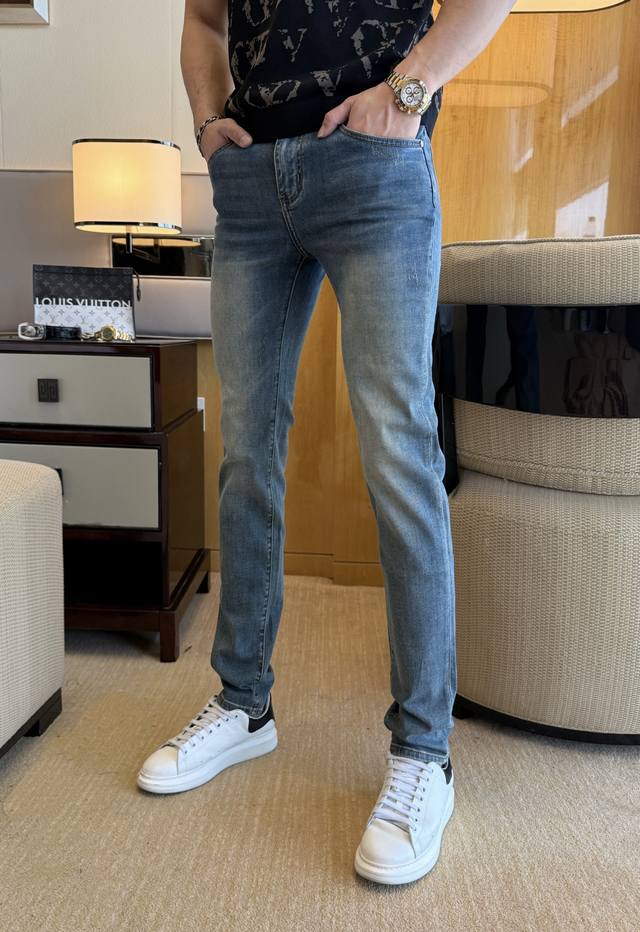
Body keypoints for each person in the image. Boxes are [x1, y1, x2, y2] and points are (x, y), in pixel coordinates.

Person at [138, 0, 517, 885]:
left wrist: (407, 92)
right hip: (249, 182)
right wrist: (207, 122)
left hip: (374, 163)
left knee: (399, 452)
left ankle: (423, 752)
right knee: (245, 451)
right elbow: (204, 20)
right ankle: (243, 704)